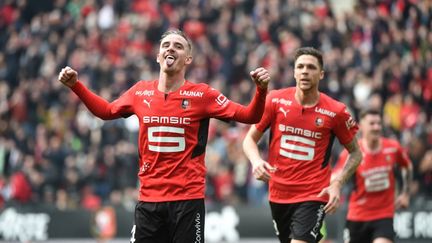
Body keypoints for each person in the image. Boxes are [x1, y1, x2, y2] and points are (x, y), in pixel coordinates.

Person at [57, 29, 270, 243]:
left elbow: (250, 116)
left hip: (187, 201)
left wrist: (261, 91)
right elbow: (106, 111)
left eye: (178, 46)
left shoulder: (203, 95)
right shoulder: (140, 92)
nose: (170, 48)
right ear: (158, 56)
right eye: (166, 45)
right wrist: (76, 85)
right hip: (149, 200)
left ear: (188, 59)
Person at [242, 47, 362, 243]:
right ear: (294, 72)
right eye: (300, 67)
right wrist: (256, 161)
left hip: (313, 195)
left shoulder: (336, 111)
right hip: (278, 194)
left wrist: (337, 184)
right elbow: (249, 140)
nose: (305, 71)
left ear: (321, 74)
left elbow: (356, 153)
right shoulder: (275, 100)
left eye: (311, 67)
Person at [333, 109, 413, 243]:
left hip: (383, 216)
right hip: (357, 216)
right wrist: (333, 188)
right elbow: (336, 175)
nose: (376, 127)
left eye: (378, 123)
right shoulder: (352, 153)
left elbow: (407, 166)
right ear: (361, 126)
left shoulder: (393, 148)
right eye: (372, 123)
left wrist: (406, 193)